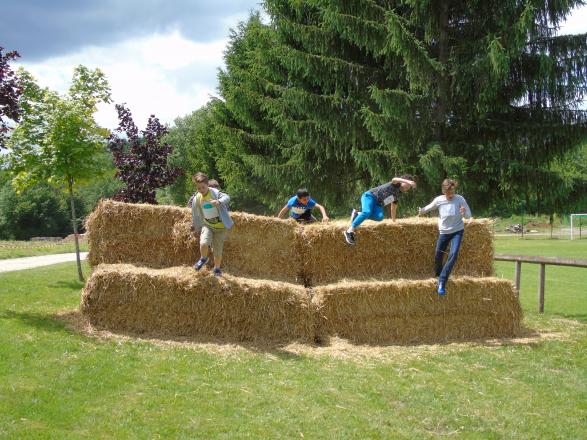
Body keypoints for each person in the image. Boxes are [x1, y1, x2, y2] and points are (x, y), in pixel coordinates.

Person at [418, 178, 472, 295]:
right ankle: (438, 274)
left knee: (453, 254)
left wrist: (464, 213)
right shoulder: (439, 200)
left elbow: (468, 215)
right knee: (438, 255)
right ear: (443, 191)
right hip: (443, 232)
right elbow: (429, 207)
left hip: (457, 231)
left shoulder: (460, 199)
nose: (451, 194)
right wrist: (420, 211)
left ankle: (442, 281)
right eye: (448, 192)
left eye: (452, 191)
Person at [343, 175, 417, 245]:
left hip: (378, 204)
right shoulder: (395, 184)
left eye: (410, 186)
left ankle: (358, 214)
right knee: (367, 212)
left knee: (380, 217)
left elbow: (393, 208)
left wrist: (394, 222)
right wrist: (408, 181)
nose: (408, 187)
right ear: (402, 182)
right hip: (370, 196)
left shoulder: (398, 195)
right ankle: (349, 231)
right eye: (407, 184)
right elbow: (394, 179)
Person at [191, 172, 233, 276]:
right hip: (208, 225)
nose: (201, 190)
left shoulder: (215, 192)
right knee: (204, 243)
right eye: (199, 188)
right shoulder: (197, 198)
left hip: (220, 227)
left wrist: (218, 201)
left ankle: (217, 268)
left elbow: (227, 197)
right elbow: (195, 214)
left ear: (207, 185)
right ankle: (203, 258)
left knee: (217, 250)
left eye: (203, 187)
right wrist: (197, 227)